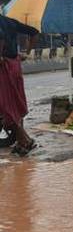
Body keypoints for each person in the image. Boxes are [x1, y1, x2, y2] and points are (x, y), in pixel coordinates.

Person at [0, 15, 38, 156]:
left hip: (4, 66)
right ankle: (23, 140)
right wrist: (26, 53)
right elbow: (34, 32)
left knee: (5, 105)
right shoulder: (10, 21)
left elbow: (0, 36)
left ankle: (24, 141)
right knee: (15, 103)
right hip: (14, 64)